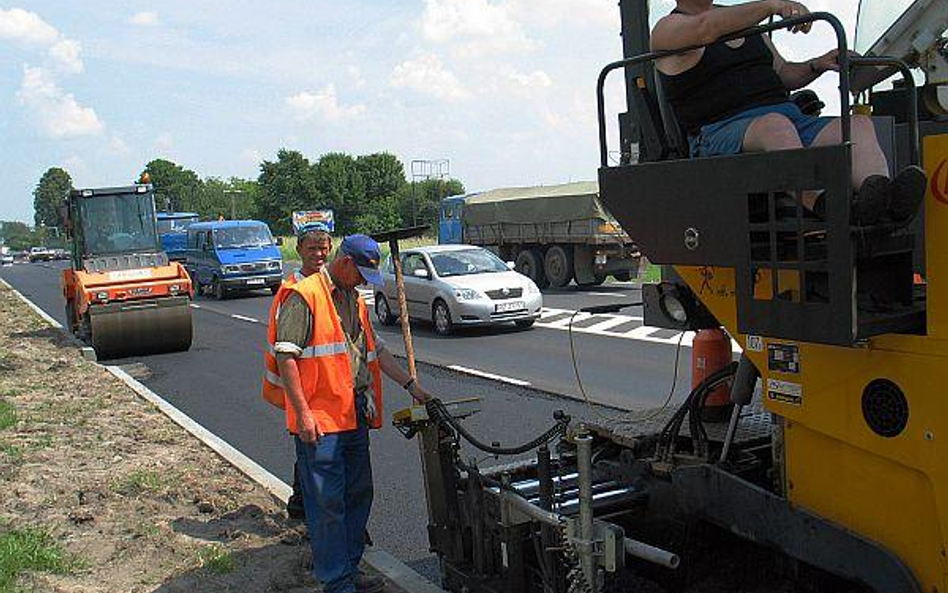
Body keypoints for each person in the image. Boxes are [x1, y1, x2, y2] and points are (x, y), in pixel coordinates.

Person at [653, 0, 926, 225]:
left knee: (858, 125)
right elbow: (705, 29)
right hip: (716, 132)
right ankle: (829, 208)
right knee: (775, 126)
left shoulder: (744, 21)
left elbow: (783, 73)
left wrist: (817, 64)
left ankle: (881, 201)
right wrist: (772, 5)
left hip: (785, 120)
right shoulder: (667, 30)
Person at [262, 234, 430, 593]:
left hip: (353, 413)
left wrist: (411, 385)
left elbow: (375, 350)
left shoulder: (355, 300)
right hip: (321, 419)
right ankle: (336, 582)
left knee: (358, 494)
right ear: (345, 263)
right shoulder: (303, 296)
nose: (363, 285)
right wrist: (303, 414)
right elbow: (286, 356)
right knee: (327, 504)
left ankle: (350, 569)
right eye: (361, 275)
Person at [264, 223, 333, 521]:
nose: (318, 254)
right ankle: (306, 510)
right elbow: (287, 353)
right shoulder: (294, 291)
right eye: (311, 249)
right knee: (312, 453)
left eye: (323, 248)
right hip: (304, 388)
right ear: (299, 251)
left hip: (326, 388)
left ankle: (300, 505)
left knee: (312, 453)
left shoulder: (329, 284)